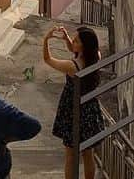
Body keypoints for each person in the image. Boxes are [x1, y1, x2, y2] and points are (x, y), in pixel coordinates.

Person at [43, 25, 102, 179]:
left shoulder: (72, 67)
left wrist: (46, 40)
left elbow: (47, 59)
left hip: (73, 109)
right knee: (88, 153)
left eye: (76, 40)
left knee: (70, 155)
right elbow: (75, 51)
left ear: (83, 46)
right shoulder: (96, 56)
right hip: (89, 107)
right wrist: (67, 39)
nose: (72, 42)